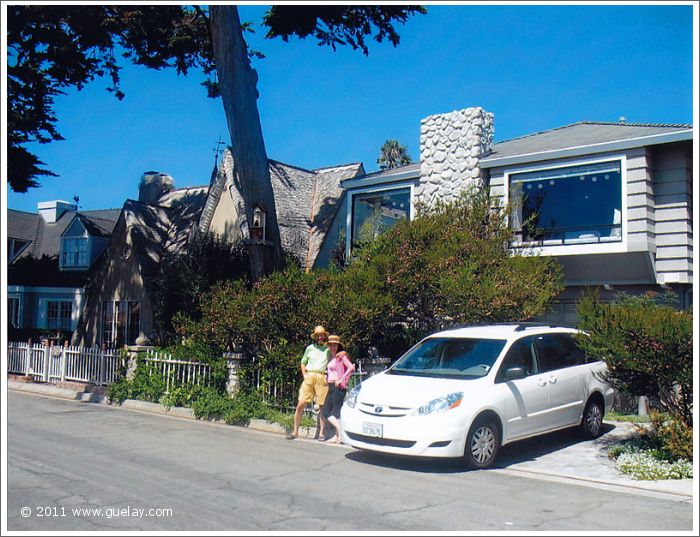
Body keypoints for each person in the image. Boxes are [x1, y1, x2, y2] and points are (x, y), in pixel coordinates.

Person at [287, 325, 331, 440]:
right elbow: (303, 362)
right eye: (318, 335)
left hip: (321, 377)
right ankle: (295, 431)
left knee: (322, 406)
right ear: (315, 337)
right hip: (310, 375)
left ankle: (321, 433)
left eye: (322, 335)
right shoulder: (309, 348)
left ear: (324, 336)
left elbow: (332, 363)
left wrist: (328, 375)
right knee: (301, 404)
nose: (320, 337)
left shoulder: (328, 349)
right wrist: (304, 374)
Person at [321, 334, 355, 444]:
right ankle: (337, 436)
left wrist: (341, 379)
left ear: (338, 346)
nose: (332, 347)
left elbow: (351, 367)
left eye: (334, 345)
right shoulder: (332, 357)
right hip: (331, 385)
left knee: (328, 412)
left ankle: (341, 433)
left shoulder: (341, 356)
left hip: (338, 386)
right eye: (331, 345)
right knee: (332, 412)